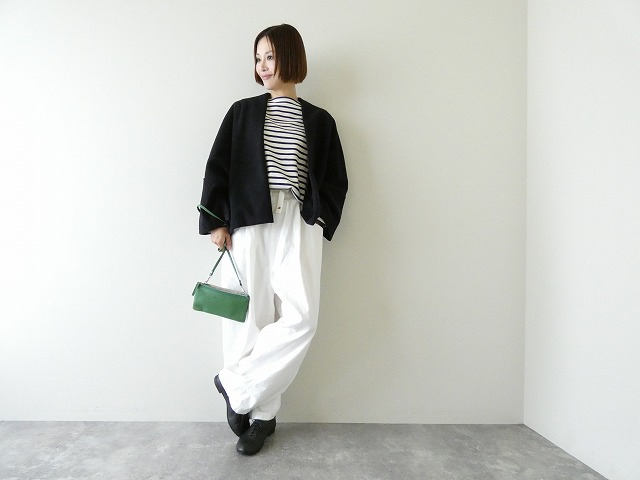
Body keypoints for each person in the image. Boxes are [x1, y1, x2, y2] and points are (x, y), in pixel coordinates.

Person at [198, 24, 348, 455]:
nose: (262, 66)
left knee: (301, 317)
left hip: (299, 220)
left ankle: (235, 386)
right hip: (249, 218)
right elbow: (217, 166)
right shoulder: (242, 112)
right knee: (249, 316)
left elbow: (335, 178)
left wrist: (320, 219)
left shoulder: (320, 120)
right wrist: (216, 221)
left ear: (291, 57)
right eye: (258, 58)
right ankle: (262, 418)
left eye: (270, 56)